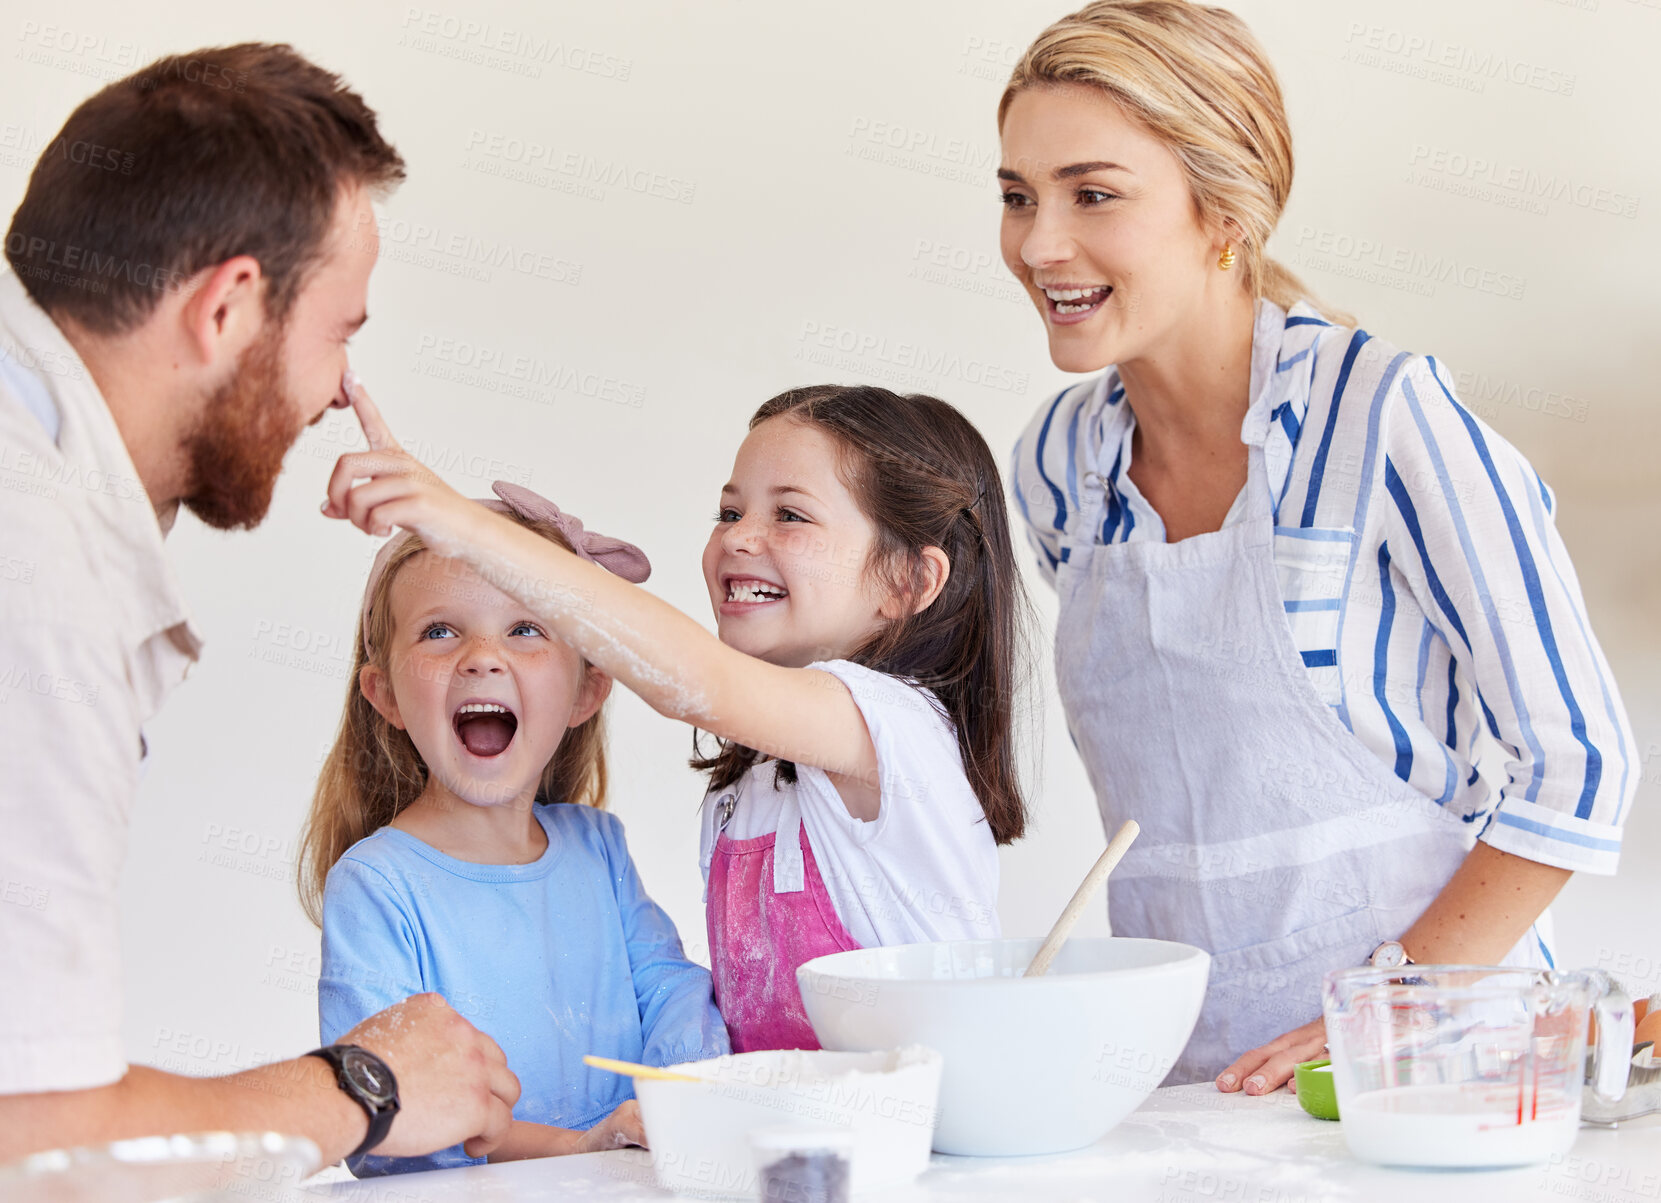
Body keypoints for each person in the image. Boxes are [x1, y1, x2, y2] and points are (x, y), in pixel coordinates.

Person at [1001, 0, 1637, 1094]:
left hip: (1434, 1070)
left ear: (1222, 209)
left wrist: (1384, 1009)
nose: (1037, 244)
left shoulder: (1381, 415)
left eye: (1091, 194)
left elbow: (1579, 762)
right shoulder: (1058, 464)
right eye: (1016, 196)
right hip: (1180, 1079)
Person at [0, 45, 519, 1164]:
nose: (341, 391)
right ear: (230, 305)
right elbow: (28, 1146)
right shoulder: (31, 575)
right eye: (339, 334)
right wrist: (364, 1090)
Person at [318, 380, 1028, 1053]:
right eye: (728, 512)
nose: (739, 538)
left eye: (788, 514)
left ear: (908, 580)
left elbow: (692, 680)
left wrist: (459, 523)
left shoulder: (893, 729)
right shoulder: (744, 788)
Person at [303, 481, 728, 1176]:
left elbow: (672, 993)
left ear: (586, 691)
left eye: (525, 628)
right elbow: (384, 1117)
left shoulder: (599, 848)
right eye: (440, 630)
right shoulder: (377, 885)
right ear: (385, 695)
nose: (482, 655)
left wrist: (685, 1098)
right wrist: (581, 1145)